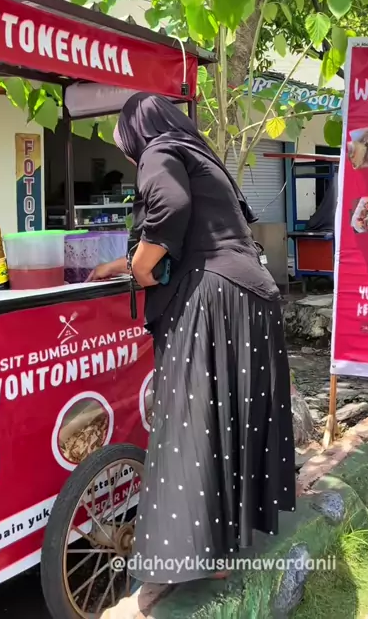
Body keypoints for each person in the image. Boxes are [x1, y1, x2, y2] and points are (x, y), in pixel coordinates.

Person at [88, 92, 296, 587]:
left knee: (192, 418)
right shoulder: (198, 154)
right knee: (227, 419)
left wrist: (140, 268)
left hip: (215, 297)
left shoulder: (159, 150)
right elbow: (199, 230)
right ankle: (225, 543)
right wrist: (119, 266)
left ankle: (195, 556)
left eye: (125, 144)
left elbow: (171, 208)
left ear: (139, 131)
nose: (128, 154)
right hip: (251, 295)